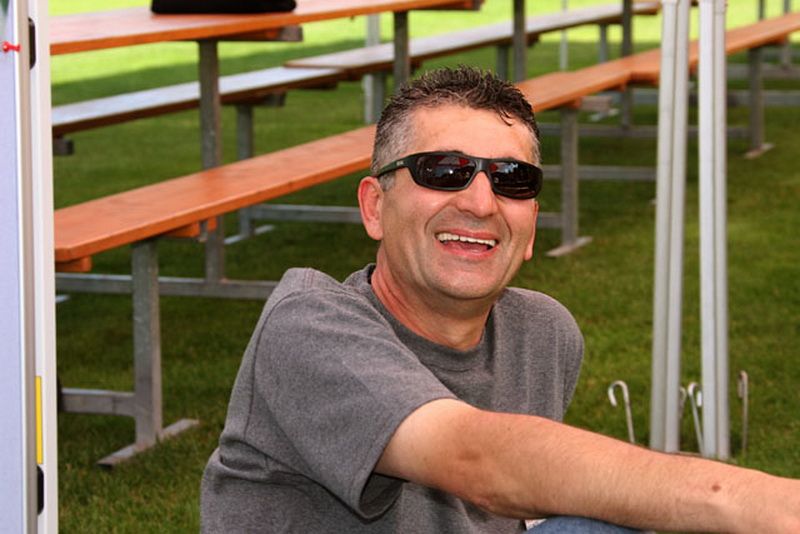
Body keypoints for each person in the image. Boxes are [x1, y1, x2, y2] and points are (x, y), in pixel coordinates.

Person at [201, 66, 800, 533]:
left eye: (512, 179)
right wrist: (746, 500)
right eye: (444, 171)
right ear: (374, 207)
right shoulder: (306, 325)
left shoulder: (543, 333)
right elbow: (478, 461)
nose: (481, 203)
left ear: (532, 224)